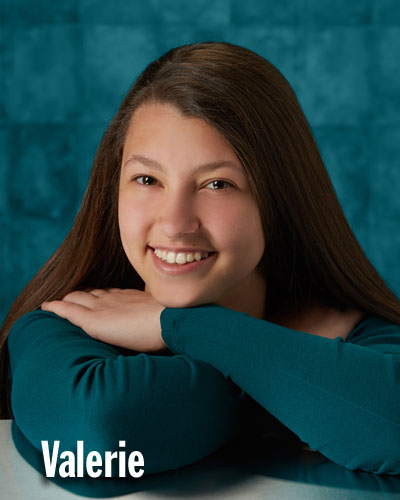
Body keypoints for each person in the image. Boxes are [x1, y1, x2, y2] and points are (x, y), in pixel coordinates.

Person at [1, 41, 400, 476]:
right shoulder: (67, 322)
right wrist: (296, 390)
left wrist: (176, 326)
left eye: (216, 184)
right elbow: (98, 435)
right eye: (147, 178)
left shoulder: (366, 340)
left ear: (279, 201)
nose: (175, 223)